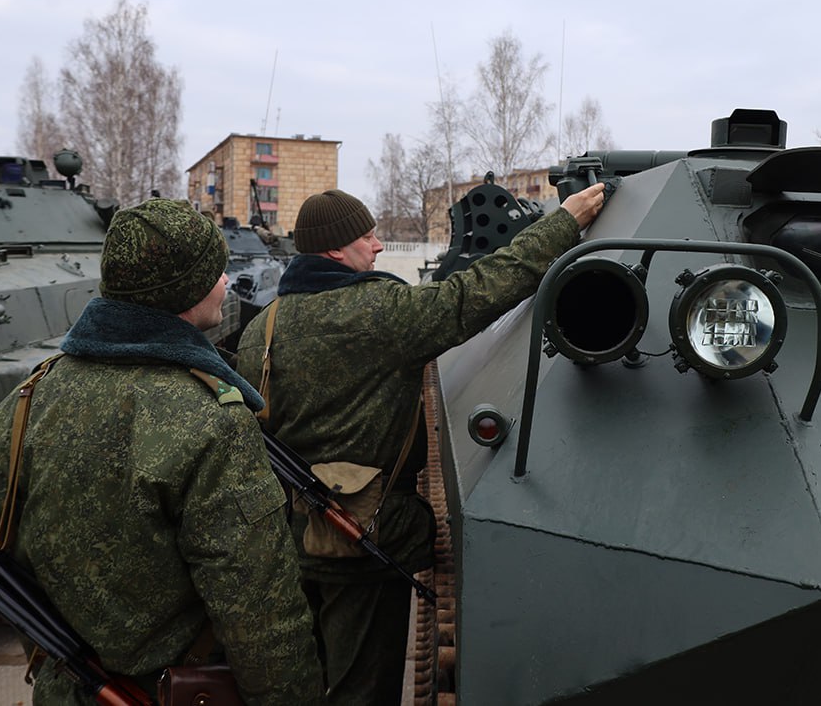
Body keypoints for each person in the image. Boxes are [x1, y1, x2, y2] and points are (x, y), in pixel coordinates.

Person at [235, 182, 608, 705]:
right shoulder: (378, 314)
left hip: (290, 540)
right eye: (369, 237)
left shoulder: (264, 328)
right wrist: (563, 222)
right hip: (362, 545)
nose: (380, 246)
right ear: (337, 250)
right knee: (361, 689)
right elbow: (477, 292)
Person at [0, 198, 323, 705]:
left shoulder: (25, 400)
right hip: (173, 690)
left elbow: (9, 561)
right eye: (216, 272)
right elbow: (257, 609)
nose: (226, 282)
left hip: (68, 687)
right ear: (185, 291)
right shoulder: (211, 418)